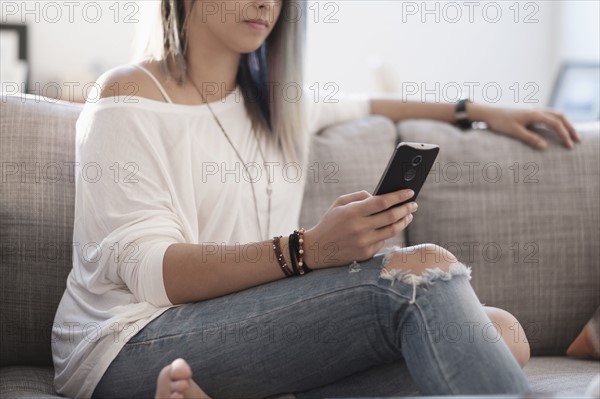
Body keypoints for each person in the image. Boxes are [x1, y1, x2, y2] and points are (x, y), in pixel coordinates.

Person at [52, 0, 580, 398]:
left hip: (236, 327)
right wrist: (310, 250)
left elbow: (371, 102)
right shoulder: (129, 96)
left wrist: (478, 110)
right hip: (130, 342)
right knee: (422, 275)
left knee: (503, 333)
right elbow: (154, 274)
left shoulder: (280, 107)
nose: (267, 3)